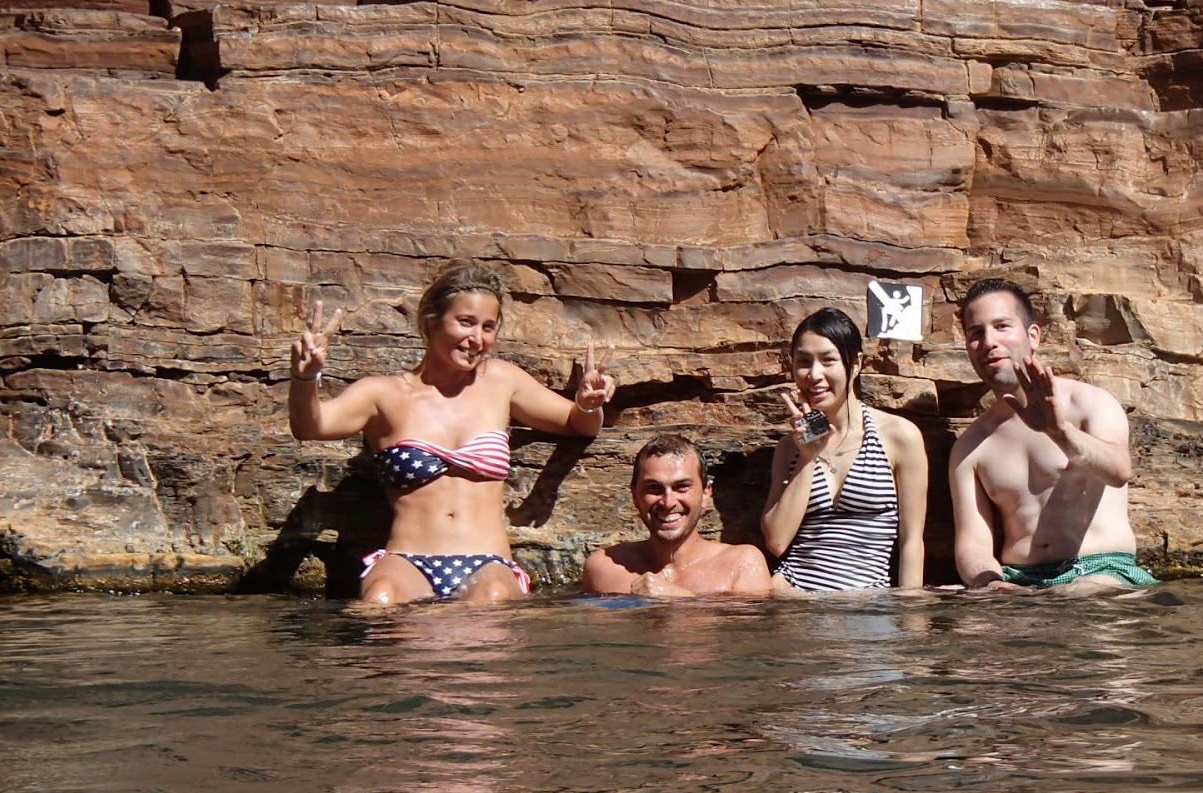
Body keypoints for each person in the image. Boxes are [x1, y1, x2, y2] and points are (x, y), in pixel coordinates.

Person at [289, 259, 616, 604]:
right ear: (432, 321)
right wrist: (305, 378)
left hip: (487, 561)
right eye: (466, 322)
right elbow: (311, 426)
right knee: (381, 597)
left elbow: (577, 424)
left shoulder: (501, 380)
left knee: (491, 596)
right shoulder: (382, 394)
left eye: (488, 327)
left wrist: (588, 404)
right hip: (408, 560)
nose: (477, 339)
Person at [948, 277, 1158, 596]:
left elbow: (1119, 471)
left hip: (1098, 571)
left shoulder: (1090, 404)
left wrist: (1060, 432)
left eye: (1002, 326)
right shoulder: (970, 445)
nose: (989, 341)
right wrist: (990, 584)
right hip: (1018, 581)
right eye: (976, 333)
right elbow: (972, 544)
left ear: (1032, 336)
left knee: (1077, 594)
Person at [761, 307, 928, 593]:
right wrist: (807, 457)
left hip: (866, 601)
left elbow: (911, 540)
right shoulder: (789, 447)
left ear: (856, 363)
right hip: (795, 598)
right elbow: (776, 542)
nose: (814, 374)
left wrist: (911, 612)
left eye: (828, 360)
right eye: (804, 362)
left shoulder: (900, 436)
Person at [582, 435, 774, 598]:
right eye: (654, 488)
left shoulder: (742, 564)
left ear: (706, 493)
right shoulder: (603, 568)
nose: (668, 502)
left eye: (681, 487)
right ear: (635, 496)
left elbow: (752, 629)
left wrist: (682, 600)